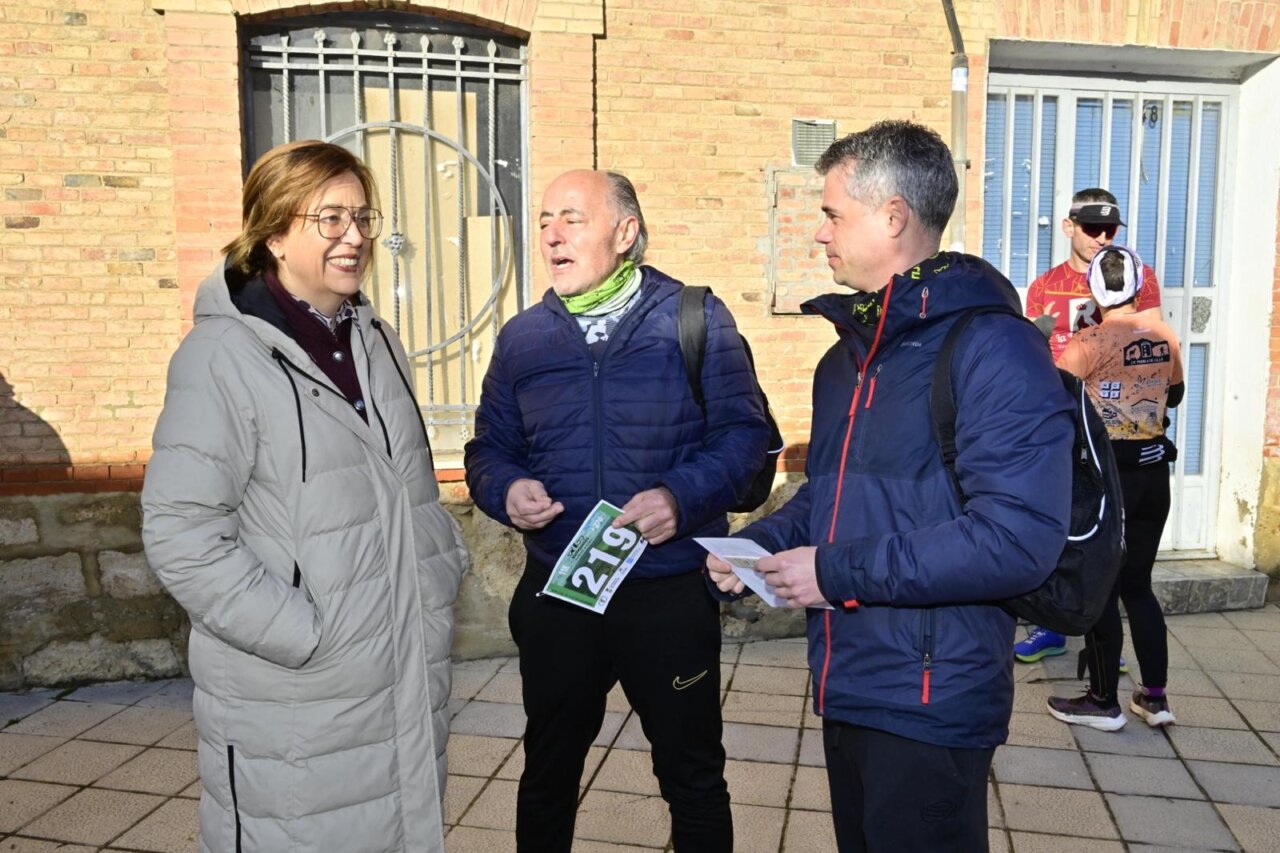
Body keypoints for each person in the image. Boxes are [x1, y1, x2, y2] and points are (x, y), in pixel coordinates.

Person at [706, 120, 1074, 852]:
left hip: (932, 700)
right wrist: (756, 547)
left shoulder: (994, 347)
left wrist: (833, 571)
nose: (819, 233)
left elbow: (1017, 540)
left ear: (894, 216)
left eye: (833, 213)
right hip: (850, 678)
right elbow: (830, 496)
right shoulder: (845, 360)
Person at [142, 140, 468, 852]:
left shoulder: (377, 341)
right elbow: (180, 532)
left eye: (362, 216)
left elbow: (401, 490)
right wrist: (305, 632)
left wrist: (439, 568)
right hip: (294, 694)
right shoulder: (221, 357)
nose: (354, 236)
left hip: (400, 676)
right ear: (275, 231)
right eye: (330, 218)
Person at [463, 169, 769, 852]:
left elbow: (746, 439)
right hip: (562, 594)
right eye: (545, 218)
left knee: (692, 776)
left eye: (572, 216)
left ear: (625, 232)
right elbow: (488, 448)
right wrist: (505, 488)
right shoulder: (522, 339)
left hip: (667, 596)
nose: (551, 233)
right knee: (547, 773)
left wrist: (679, 497)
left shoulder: (697, 317)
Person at [1015, 188, 1165, 663]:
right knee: (1057, 526)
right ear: (1068, 227)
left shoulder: (1139, 280)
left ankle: (1105, 642)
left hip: (1117, 436)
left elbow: (1155, 345)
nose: (1101, 237)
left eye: (1110, 229)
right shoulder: (1045, 285)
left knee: (1110, 543)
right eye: (1091, 228)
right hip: (1062, 420)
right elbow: (1031, 347)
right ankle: (1052, 625)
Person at [1046, 245, 1183, 731]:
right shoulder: (1164, 335)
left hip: (1109, 479)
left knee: (1100, 584)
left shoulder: (1089, 342)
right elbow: (1177, 393)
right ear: (1140, 282)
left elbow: (1052, 399)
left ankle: (1103, 700)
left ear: (1093, 288)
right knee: (1139, 586)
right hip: (1154, 474)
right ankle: (1155, 698)